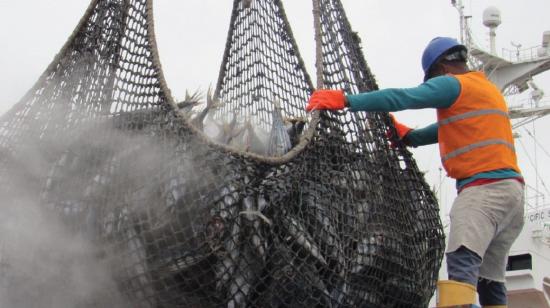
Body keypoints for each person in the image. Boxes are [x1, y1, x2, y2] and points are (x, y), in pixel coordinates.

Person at [306, 37, 524, 308]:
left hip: (484, 190)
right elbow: (451, 128)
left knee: (461, 259)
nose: (432, 86)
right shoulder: (487, 90)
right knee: (490, 278)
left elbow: (404, 97)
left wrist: (346, 100)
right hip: (513, 196)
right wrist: (413, 137)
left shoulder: (452, 83)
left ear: (442, 67)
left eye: (431, 80)